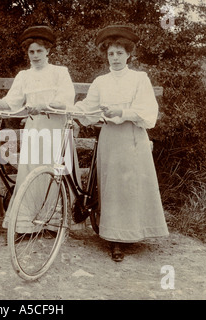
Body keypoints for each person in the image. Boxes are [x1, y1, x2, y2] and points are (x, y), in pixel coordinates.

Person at [74, 25, 169, 261]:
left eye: (119, 53)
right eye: (110, 54)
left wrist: (122, 111)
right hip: (110, 138)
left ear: (128, 54)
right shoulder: (100, 82)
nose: (114, 58)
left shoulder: (139, 79)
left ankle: (133, 232)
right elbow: (88, 108)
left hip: (132, 136)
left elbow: (147, 110)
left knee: (130, 186)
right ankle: (115, 239)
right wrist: (67, 110)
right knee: (112, 187)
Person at [0, 25, 81, 237]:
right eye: (31, 52)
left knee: (54, 172)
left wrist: (44, 105)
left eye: (39, 51)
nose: (35, 56)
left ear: (48, 51)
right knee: (31, 172)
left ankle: (53, 224)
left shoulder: (59, 72)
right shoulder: (23, 76)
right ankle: (27, 225)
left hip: (56, 129)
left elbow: (65, 99)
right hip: (35, 128)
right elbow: (12, 102)